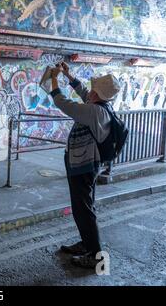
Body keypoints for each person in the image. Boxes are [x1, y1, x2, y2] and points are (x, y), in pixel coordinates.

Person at [48, 62, 121, 269]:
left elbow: (64, 104)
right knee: (84, 206)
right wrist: (69, 76)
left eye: (94, 89)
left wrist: (53, 80)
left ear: (98, 94)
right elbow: (85, 93)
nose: (90, 92)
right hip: (86, 163)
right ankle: (87, 244)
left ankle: (96, 255)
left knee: (83, 209)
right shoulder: (101, 105)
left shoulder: (95, 112)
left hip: (84, 166)